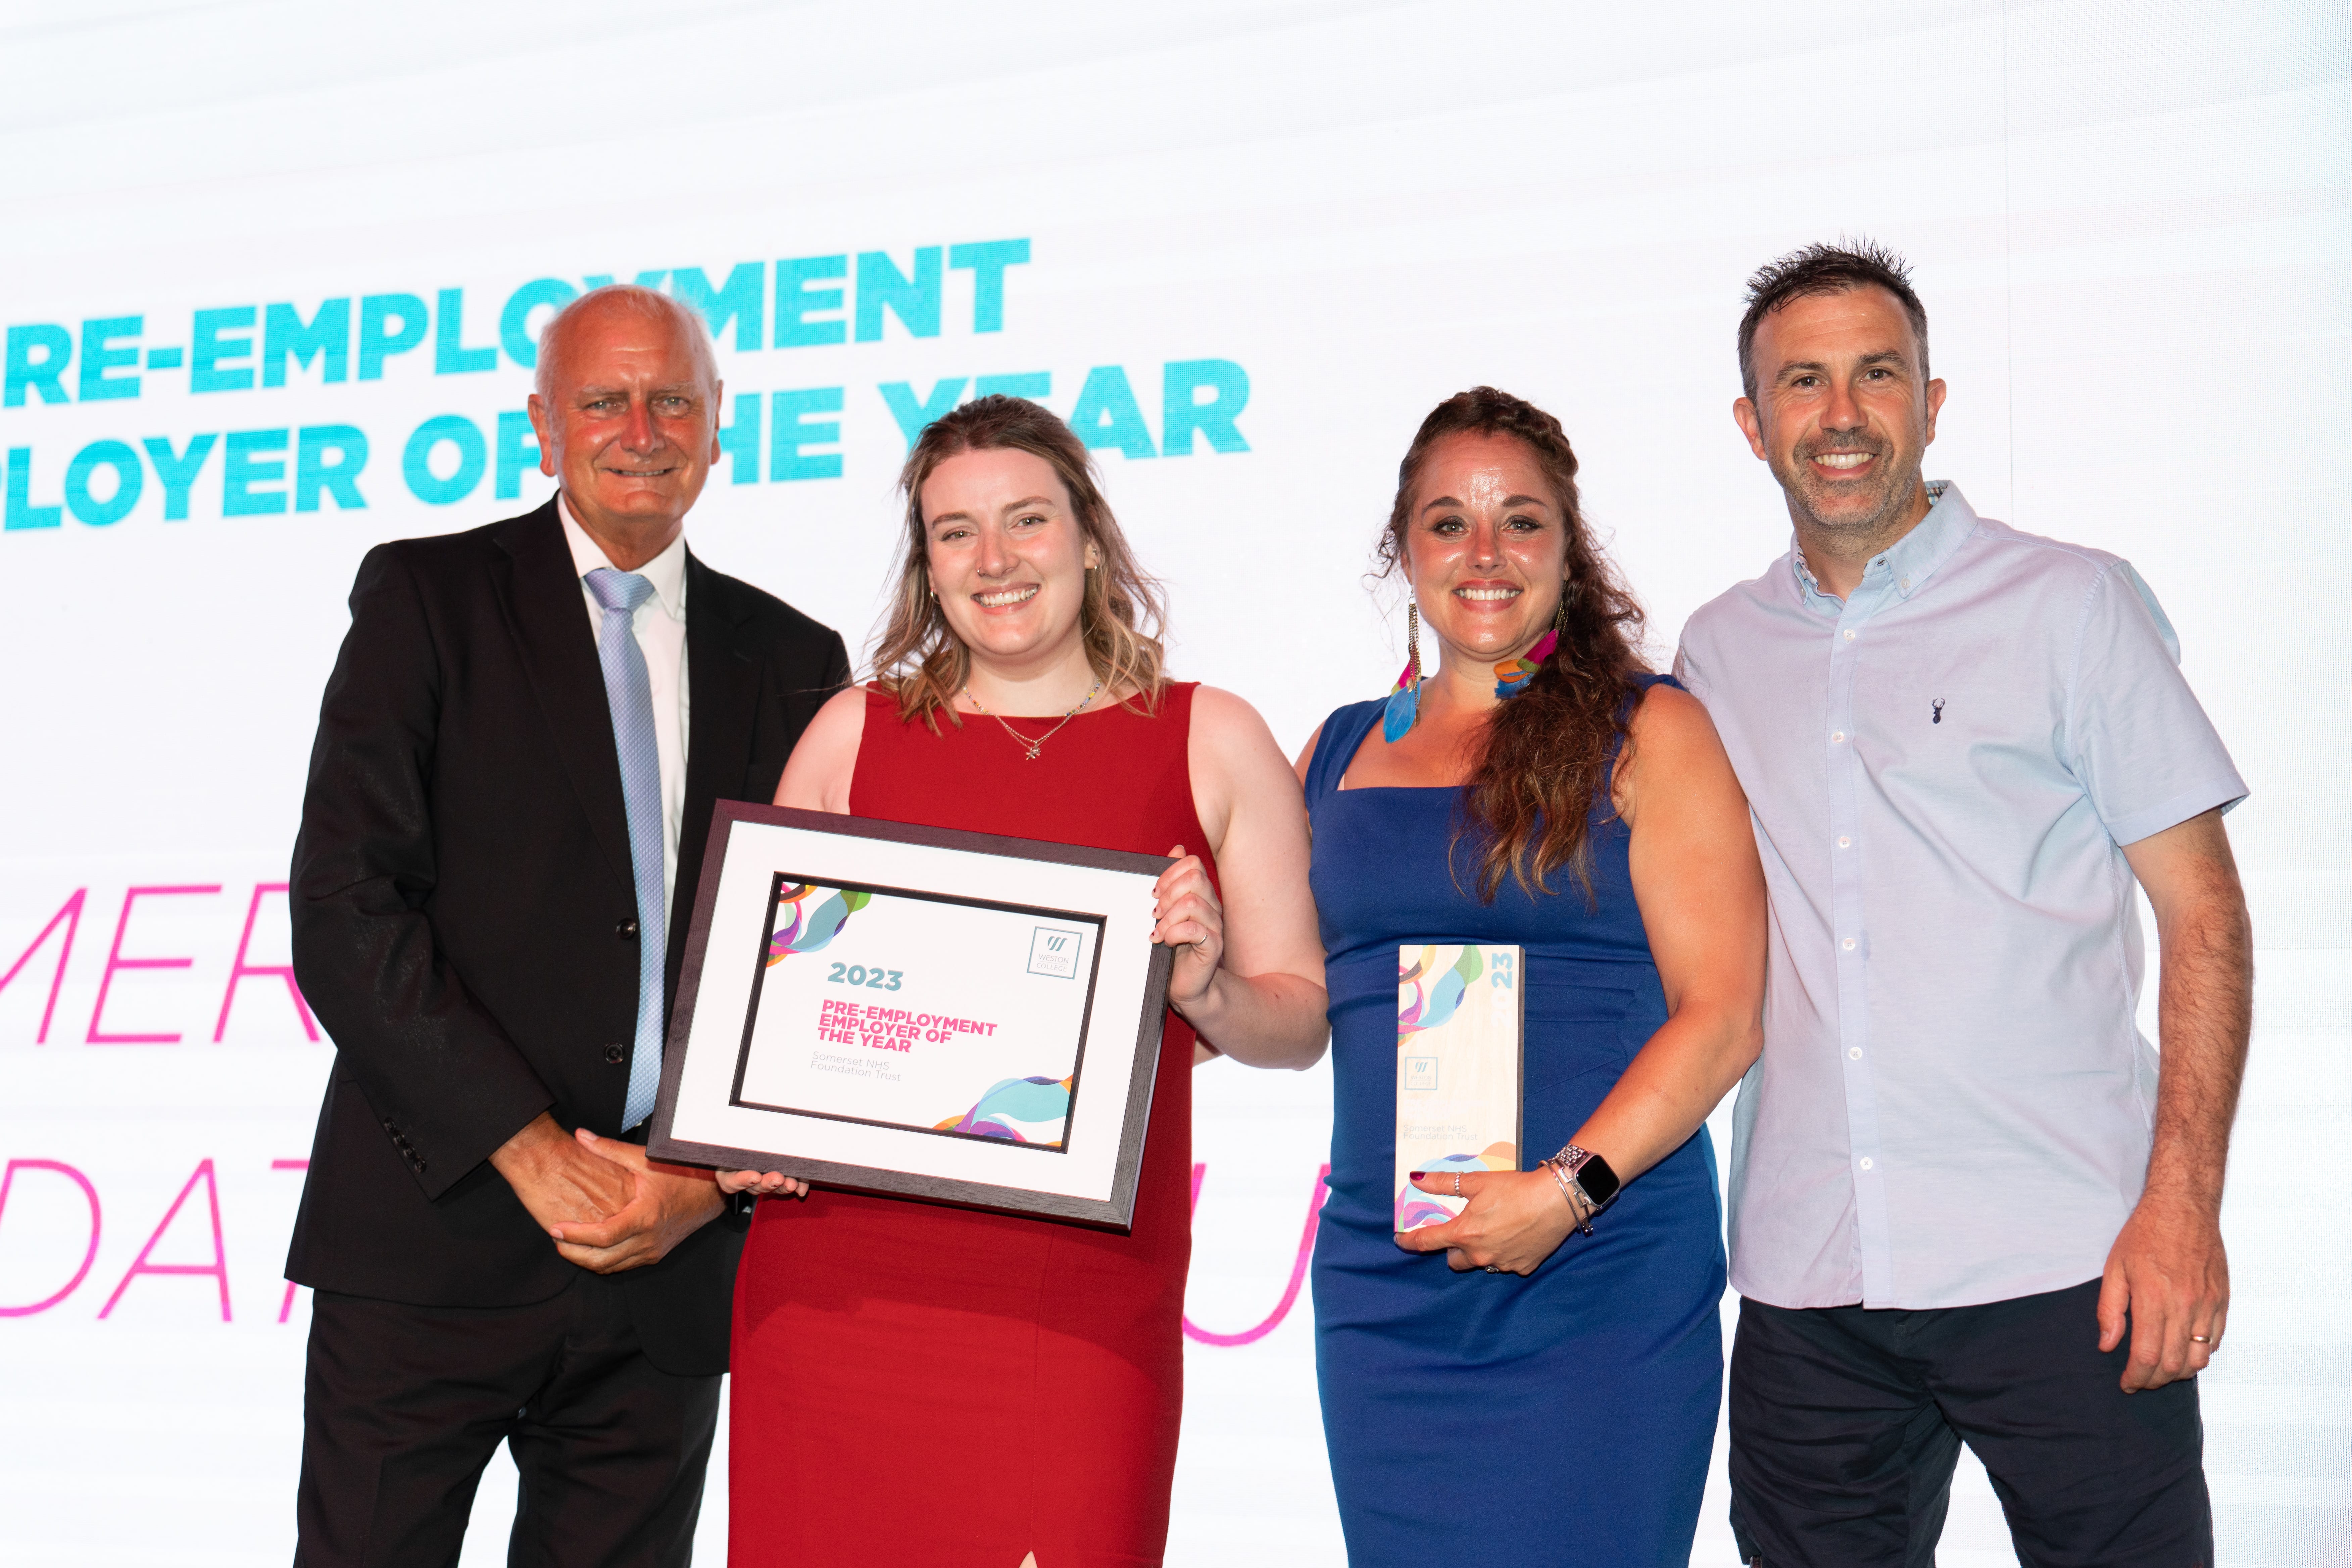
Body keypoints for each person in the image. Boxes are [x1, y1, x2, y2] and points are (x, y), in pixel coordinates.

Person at [1675, 240, 2253, 1567]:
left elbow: (2207, 920)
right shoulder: (1716, 651)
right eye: (1803, 383)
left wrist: (2183, 1210)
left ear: (1931, 403)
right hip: (1809, 1280)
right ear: (1751, 424)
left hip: (2074, 1263)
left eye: (1877, 375)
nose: (1841, 414)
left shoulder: (2070, 604)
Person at [285, 284, 849, 1566]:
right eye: (603, 399)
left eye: (672, 401)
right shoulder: (426, 598)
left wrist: (696, 1186)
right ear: (543, 427)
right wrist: (532, 1152)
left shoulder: (799, 658)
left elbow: (808, 971)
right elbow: (345, 909)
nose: (640, 427)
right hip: (432, 1246)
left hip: (668, 1275)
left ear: (719, 429)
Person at [718, 394, 1329, 1567]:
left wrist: (1204, 990)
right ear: (928, 566)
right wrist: (743, 1127)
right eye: (956, 533)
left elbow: (1298, 1022)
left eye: (1027, 521)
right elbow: (763, 1022)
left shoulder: (1212, 738)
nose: (994, 561)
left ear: (1090, 537)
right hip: (840, 1293)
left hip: (1080, 1304)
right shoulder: (855, 735)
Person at [1296, 387, 1768, 1566]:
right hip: (1384, 1285)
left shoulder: (1653, 730)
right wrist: (1194, 958)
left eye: (1523, 520)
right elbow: (1284, 1008)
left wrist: (1565, 1192)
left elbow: (1726, 1016)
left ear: (1571, 545)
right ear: (1400, 552)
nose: (1486, 553)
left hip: (1596, 1266)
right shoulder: (1334, 749)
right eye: (1449, 522)